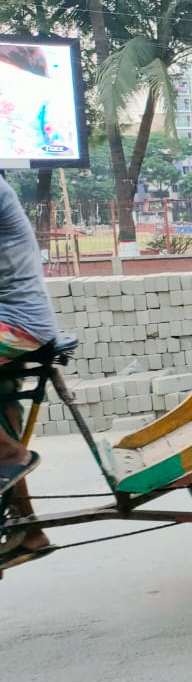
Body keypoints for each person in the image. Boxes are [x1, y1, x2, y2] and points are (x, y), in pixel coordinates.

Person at [0, 174, 58, 570]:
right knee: (4, 411)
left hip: (19, 324)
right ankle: (29, 530)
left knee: (6, 442)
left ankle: (9, 452)